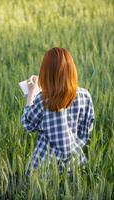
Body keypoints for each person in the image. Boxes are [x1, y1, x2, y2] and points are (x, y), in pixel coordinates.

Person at [21, 47, 94, 177]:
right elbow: (86, 130)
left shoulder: (43, 99)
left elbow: (27, 123)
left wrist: (32, 92)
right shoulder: (85, 95)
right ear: (71, 71)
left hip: (44, 169)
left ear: (46, 74)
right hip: (76, 165)